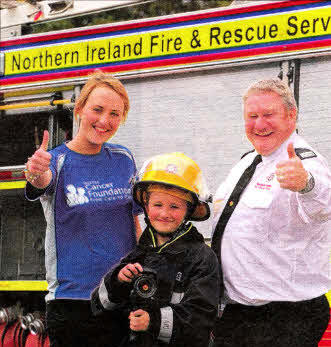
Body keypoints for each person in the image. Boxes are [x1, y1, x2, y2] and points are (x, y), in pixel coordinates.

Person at [24, 71, 142, 347]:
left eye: (115, 114)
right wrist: (36, 171)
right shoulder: (56, 160)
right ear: (79, 109)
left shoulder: (124, 159)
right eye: (97, 110)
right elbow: (41, 181)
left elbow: (135, 223)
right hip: (73, 304)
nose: (104, 121)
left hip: (121, 298)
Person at [211, 78, 331, 347]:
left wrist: (307, 184)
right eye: (252, 116)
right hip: (239, 312)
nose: (259, 124)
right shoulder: (248, 161)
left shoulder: (304, 160)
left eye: (268, 115)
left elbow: (324, 205)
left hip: (285, 315)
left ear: (291, 115)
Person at [91, 152, 220, 347]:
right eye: (157, 204)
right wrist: (118, 281)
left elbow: (200, 319)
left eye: (175, 206)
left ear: (188, 211)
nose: (164, 213)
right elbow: (99, 307)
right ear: (145, 206)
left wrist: (153, 321)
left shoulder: (201, 258)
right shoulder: (138, 256)